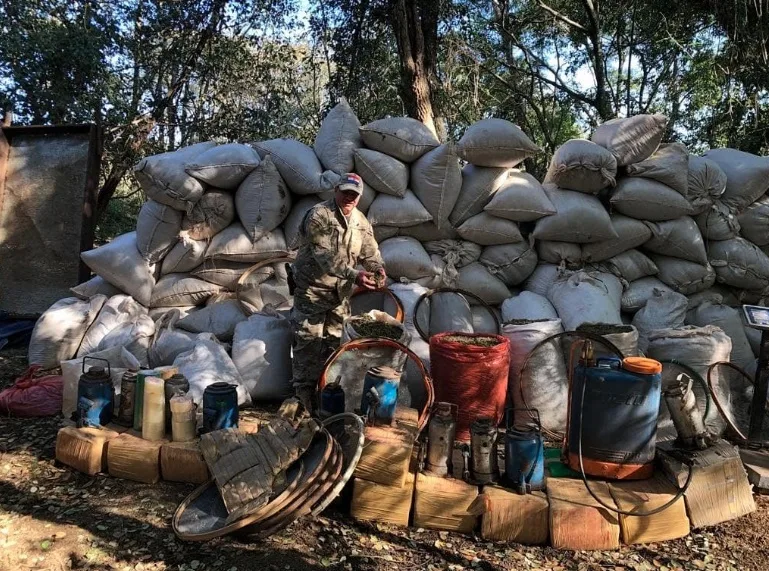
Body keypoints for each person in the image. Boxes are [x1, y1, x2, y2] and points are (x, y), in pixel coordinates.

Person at [290, 173, 386, 411]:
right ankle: (303, 398)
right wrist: (356, 276)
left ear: (360, 197)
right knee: (307, 343)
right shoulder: (319, 215)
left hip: (339, 296)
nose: (349, 198)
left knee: (336, 345)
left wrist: (378, 270)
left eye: (354, 195)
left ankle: (327, 393)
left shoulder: (360, 222)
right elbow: (324, 256)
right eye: (345, 192)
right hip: (312, 292)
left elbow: (370, 253)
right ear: (335, 190)